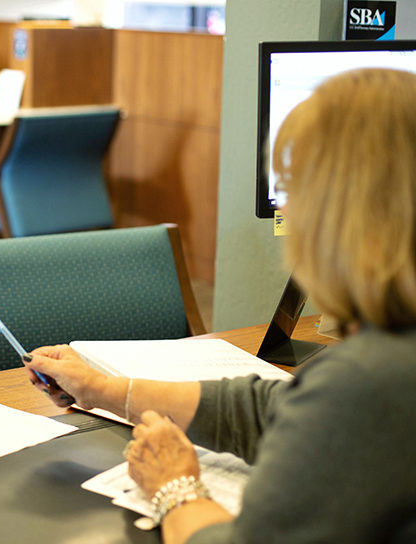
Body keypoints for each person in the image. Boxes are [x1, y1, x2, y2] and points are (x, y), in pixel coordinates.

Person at [24, 68, 416, 543]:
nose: (285, 211)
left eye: (294, 188)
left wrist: (176, 489)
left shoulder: (372, 380)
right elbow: (274, 410)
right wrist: (103, 389)